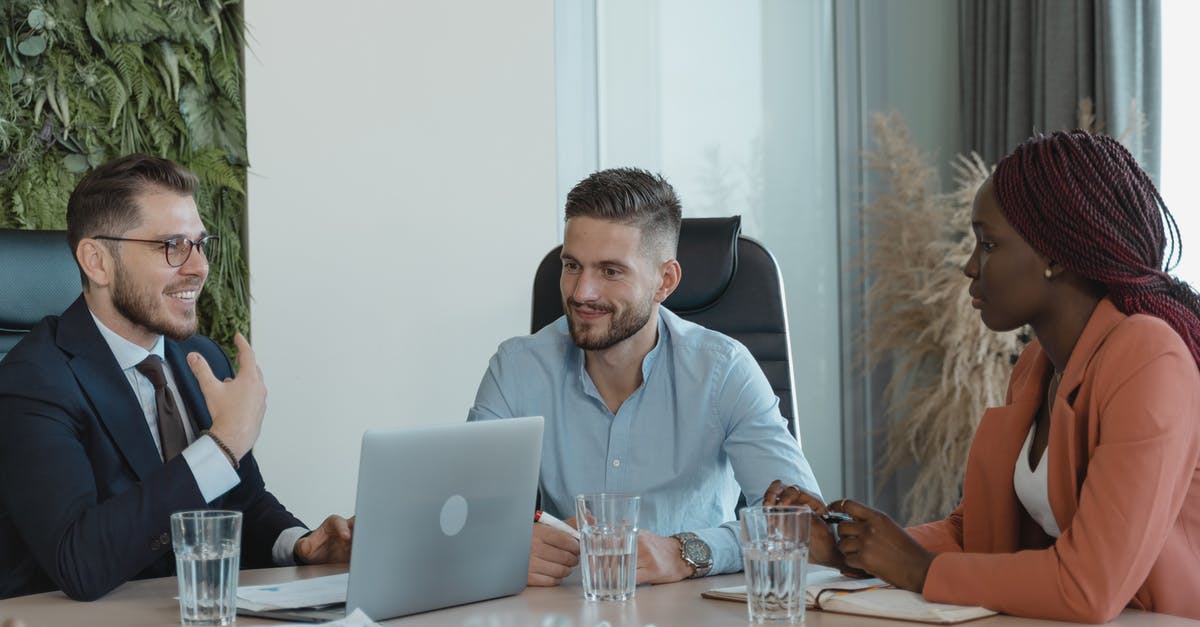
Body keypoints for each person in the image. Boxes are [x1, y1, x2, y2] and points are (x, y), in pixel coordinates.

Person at [775, 130, 1200, 622]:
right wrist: (849, 544)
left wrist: (918, 569)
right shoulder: (1035, 368)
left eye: (990, 243)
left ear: (1055, 255)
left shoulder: (1149, 357)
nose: (970, 266)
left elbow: (1088, 586)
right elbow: (976, 534)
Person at [0, 154, 353, 601]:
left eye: (200, 244)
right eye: (172, 246)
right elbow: (79, 563)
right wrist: (222, 447)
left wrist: (301, 546)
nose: (199, 267)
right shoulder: (32, 380)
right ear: (97, 261)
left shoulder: (200, 359)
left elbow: (239, 501)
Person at [468, 167, 821, 587]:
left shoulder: (724, 369)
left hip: (694, 611)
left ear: (664, 281)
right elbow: (469, 515)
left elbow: (804, 526)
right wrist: (504, 545)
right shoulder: (517, 368)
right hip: (569, 610)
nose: (582, 293)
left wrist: (688, 553)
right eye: (572, 266)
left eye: (610, 271)